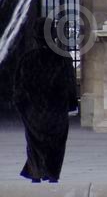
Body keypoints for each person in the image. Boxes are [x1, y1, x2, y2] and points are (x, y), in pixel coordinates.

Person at [13, 17, 77, 183]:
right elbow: (69, 85)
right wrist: (71, 105)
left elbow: (19, 89)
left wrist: (22, 109)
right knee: (56, 144)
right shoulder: (63, 59)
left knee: (34, 143)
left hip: (34, 111)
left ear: (35, 37)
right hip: (56, 111)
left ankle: (36, 173)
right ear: (54, 36)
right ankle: (52, 174)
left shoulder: (27, 60)